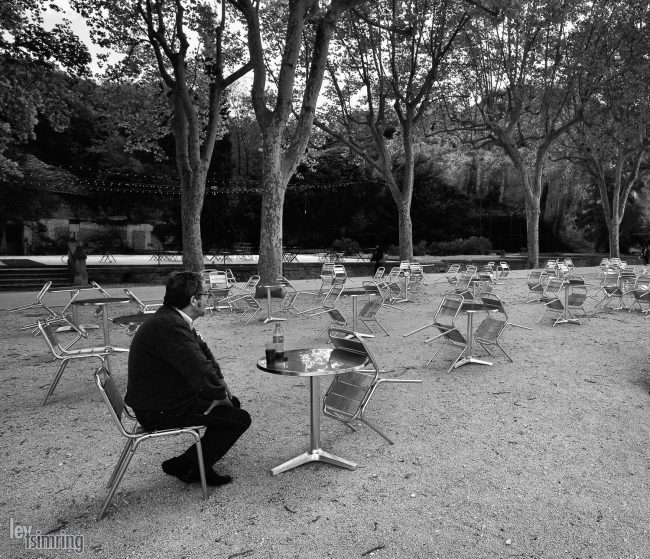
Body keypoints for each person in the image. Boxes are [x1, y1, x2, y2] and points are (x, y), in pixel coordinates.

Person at [125, 271, 251, 487]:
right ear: (194, 300)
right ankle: (185, 464)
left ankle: (198, 465)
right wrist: (218, 393)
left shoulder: (172, 318)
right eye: (207, 294)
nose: (210, 298)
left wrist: (222, 388)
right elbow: (199, 367)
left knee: (231, 408)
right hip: (158, 409)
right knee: (239, 418)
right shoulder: (170, 326)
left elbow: (204, 354)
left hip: (164, 397)